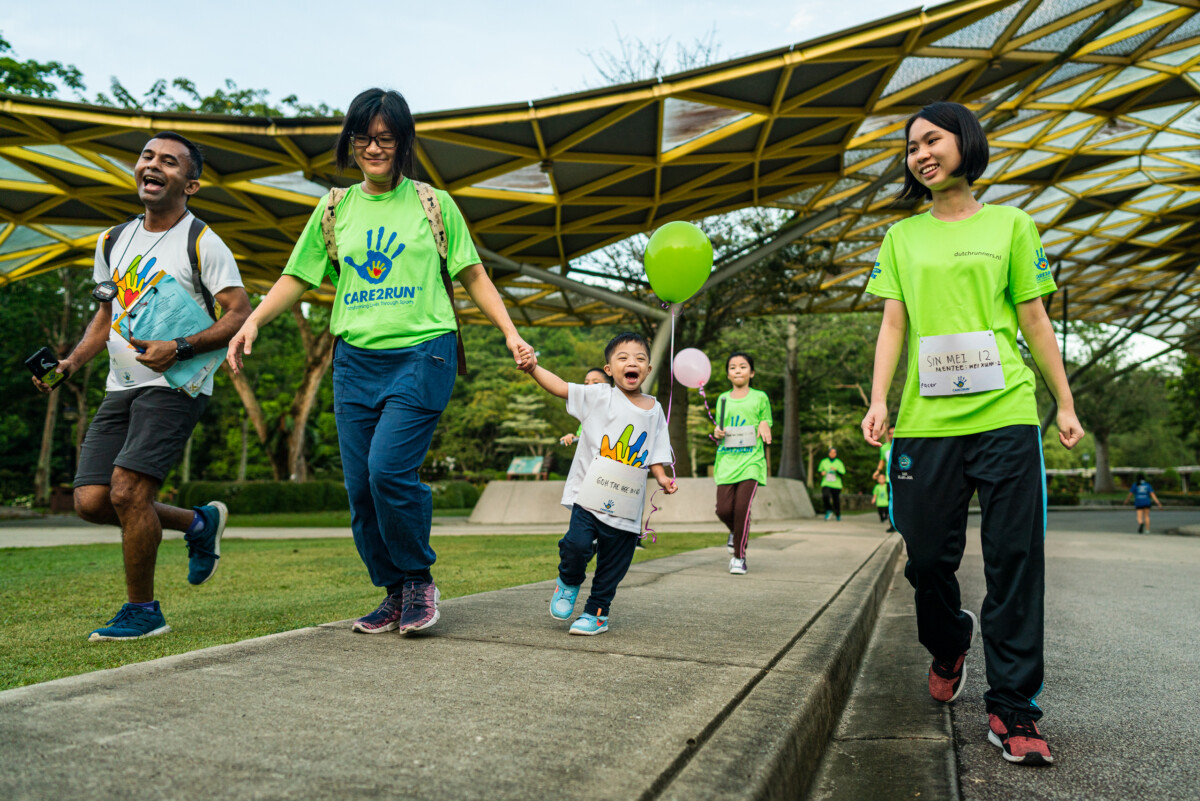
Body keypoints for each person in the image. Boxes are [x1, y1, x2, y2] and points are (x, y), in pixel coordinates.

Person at [226, 88, 535, 636]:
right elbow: (298, 276)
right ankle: (393, 592)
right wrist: (252, 320)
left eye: (385, 137)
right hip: (355, 361)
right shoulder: (334, 208)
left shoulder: (433, 204)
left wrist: (510, 333)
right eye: (364, 137)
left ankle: (419, 581)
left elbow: (473, 274)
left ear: (402, 142)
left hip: (423, 351)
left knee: (388, 470)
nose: (374, 146)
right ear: (350, 142)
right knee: (361, 489)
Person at [861, 101, 1084, 766]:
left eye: (932, 139)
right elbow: (894, 324)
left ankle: (1014, 707)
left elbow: (1035, 319)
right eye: (911, 148)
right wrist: (880, 397)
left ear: (965, 142)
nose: (921, 153)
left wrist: (1062, 401)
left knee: (1016, 558)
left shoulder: (1013, 225)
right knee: (926, 555)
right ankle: (949, 638)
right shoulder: (902, 238)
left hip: (1006, 414)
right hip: (927, 423)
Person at [33, 132, 252, 641]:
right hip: (120, 386)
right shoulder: (112, 240)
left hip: (175, 385)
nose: (153, 165)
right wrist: (69, 362)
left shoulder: (202, 241)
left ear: (190, 184)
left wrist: (179, 348)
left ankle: (143, 611)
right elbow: (104, 317)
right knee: (91, 500)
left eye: (169, 162)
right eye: (148, 157)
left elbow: (239, 313)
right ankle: (198, 524)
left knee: (129, 491)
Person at [528, 332, 676, 635]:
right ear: (609, 369)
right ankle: (568, 581)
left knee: (614, 563)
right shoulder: (599, 396)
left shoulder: (655, 409)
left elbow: (657, 448)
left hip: (627, 502)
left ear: (648, 370)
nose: (631, 363)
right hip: (589, 494)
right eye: (623, 358)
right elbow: (560, 387)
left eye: (640, 358)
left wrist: (661, 477)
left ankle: (597, 612)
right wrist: (533, 367)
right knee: (576, 545)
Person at [711, 352, 772, 574]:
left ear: (752, 373)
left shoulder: (760, 397)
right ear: (728, 374)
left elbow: (766, 420)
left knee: (742, 509)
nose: (738, 370)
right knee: (723, 510)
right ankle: (735, 531)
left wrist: (765, 424)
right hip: (727, 461)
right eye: (733, 367)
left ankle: (739, 557)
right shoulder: (722, 399)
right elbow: (720, 428)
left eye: (743, 366)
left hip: (751, 462)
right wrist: (717, 432)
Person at [559, 367, 611, 446]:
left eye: (596, 383)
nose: (589, 386)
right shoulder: (587, 414)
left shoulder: (615, 409)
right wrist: (572, 437)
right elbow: (582, 438)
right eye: (586, 383)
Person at [818, 447, 846, 521]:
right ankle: (829, 510)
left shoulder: (839, 462)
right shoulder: (824, 461)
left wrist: (836, 470)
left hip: (836, 484)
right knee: (825, 496)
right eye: (831, 452)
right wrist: (822, 473)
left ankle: (838, 514)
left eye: (834, 452)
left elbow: (842, 473)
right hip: (826, 483)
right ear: (829, 453)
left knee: (836, 499)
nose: (832, 454)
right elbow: (819, 471)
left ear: (836, 454)